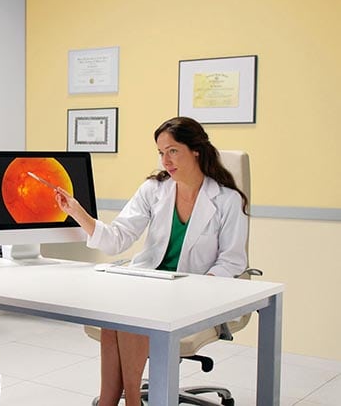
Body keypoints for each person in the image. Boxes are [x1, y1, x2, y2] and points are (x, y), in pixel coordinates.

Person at [55, 116, 248, 406]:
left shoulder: (227, 199)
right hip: (150, 283)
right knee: (116, 314)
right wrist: (77, 212)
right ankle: (111, 400)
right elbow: (118, 237)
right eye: (160, 152)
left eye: (172, 151)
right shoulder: (154, 189)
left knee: (134, 312)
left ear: (195, 150)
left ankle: (132, 400)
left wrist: (198, 287)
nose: (165, 161)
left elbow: (231, 261)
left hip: (196, 292)